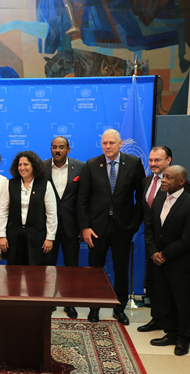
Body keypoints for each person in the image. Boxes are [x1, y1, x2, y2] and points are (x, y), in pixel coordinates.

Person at [77, 129, 145, 325]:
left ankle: (119, 308)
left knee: (121, 268)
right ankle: (94, 308)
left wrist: (133, 225)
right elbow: (82, 199)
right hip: (96, 228)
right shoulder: (91, 164)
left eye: (112, 143)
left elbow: (140, 197)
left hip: (123, 227)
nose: (108, 146)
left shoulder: (133, 163)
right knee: (95, 270)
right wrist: (85, 227)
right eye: (104, 143)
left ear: (120, 143)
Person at [144, 165, 190, 356]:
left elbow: (188, 237)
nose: (164, 180)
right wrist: (154, 252)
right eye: (164, 177)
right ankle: (170, 333)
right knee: (164, 298)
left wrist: (165, 255)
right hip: (158, 260)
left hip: (179, 262)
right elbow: (150, 228)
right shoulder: (159, 199)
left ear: (181, 182)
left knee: (182, 301)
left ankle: (184, 339)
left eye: (169, 177)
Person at [139, 145, 190, 333]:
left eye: (158, 160)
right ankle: (157, 319)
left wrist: (165, 253)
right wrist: (152, 249)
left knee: (173, 293)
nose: (153, 164)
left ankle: (176, 329)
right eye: (151, 160)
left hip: (172, 250)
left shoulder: (179, 183)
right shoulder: (146, 181)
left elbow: (182, 219)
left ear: (168, 160)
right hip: (152, 244)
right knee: (155, 287)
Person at [43, 136, 84, 318]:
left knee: (71, 267)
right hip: (47, 228)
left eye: (61, 147)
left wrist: (83, 226)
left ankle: (70, 303)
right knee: (48, 267)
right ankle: (48, 301)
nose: (57, 150)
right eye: (54, 147)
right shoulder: (41, 167)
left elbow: (84, 200)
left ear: (68, 149)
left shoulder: (81, 167)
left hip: (71, 226)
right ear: (50, 149)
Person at [0, 151, 57, 266]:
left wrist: (50, 238)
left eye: (26, 164)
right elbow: (2, 211)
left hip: (38, 239)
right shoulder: (10, 184)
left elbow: (51, 214)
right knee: (13, 275)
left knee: (36, 276)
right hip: (14, 238)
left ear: (34, 166)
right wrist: (1, 235)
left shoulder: (45, 185)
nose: (22, 168)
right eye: (20, 165)